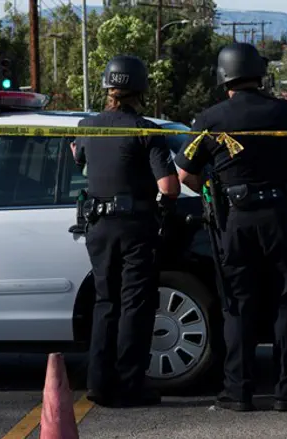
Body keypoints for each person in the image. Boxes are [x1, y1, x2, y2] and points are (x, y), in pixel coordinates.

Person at [174, 42, 287, 412]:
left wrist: (214, 190)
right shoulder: (283, 111)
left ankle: (237, 392)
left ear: (224, 77)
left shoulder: (209, 119)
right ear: (259, 73)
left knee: (237, 306)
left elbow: (184, 175)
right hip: (280, 215)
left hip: (235, 220)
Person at [73, 54, 180, 408]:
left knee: (106, 303)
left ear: (107, 86)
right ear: (140, 88)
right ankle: (129, 385)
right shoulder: (147, 131)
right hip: (135, 226)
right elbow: (169, 186)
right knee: (135, 304)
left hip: (97, 225)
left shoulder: (88, 125)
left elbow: (80, 158)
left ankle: (98, 383)